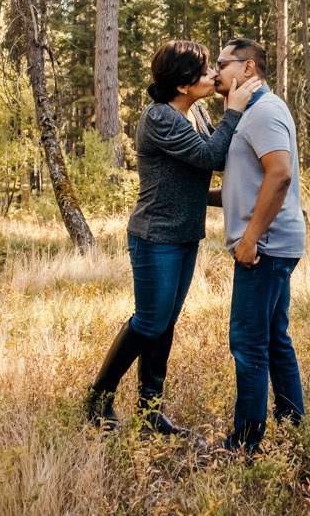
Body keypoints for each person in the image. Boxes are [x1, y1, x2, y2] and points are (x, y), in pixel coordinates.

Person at [85, 39, 258, 434]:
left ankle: (150, 415)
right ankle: (97, 400)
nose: (214, 76)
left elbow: (221, 153)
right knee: (149, 321)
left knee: (165, 323)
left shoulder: (194, 110)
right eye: (205, 72)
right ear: (183, 84)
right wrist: (233, 110)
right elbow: (210, 157)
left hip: (184, 235)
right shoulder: (160, 118)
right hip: (155, 236)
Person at [213, 37, 306, 451]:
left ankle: (245, 447)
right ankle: (292, 428)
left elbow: (280, 175)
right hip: (274, 244)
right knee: (273, 337)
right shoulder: (253, 112)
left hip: (264, 247)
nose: (216, 73)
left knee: (249, 342)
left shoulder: (263, 111)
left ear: (248, 69)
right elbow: (247, 181)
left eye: (223, 64)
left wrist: (250, 238)